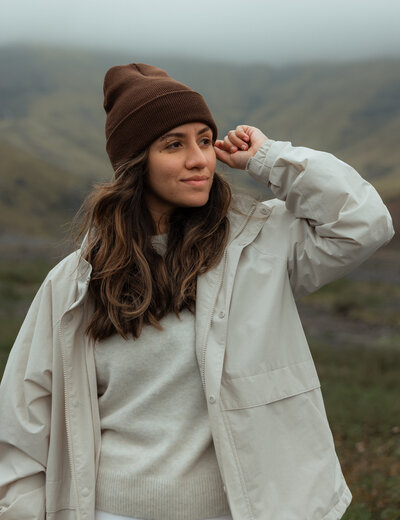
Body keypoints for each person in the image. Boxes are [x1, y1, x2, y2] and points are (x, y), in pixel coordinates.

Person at [0, 63, 394, 520]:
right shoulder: (74, 282)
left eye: (205, 141)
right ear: (135, 162)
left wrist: (268, 159)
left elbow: (364, 223)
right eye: (175, 144)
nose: (199, 159)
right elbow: (22, 426)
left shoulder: (259, 245)